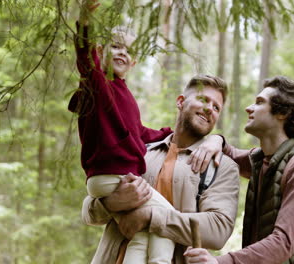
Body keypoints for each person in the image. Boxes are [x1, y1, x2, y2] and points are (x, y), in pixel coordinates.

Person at [81, 75, 240, 264]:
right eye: (203, 99)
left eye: (216, 107)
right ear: (180, 102)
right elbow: (88, 212)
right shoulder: (141, 151)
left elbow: (218, 229)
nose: (209, 109)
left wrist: (151, 216)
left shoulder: (222, 166)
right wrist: (111, 203)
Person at [184, 76, 294, 264]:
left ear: (282, 113)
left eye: (259, 102)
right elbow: (229, 152)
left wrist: (219, 262)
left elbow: (283, 243)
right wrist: (216, 139)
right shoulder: (261, 161)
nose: (248, 108)